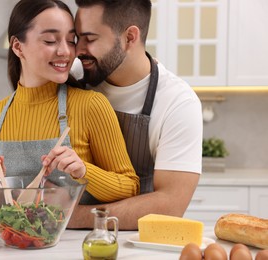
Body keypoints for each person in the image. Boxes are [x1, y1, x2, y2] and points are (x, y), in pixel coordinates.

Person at [0, 0, 139, 233]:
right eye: (50, 41)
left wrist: (84, 171)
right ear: (17, 46)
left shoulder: (91, 106)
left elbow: (130, 186)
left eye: (70, 40)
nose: (65, 51)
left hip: (75, 247)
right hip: (15, 246)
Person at [68, 0, 203, 230]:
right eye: (76, 39)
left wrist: (69, 217)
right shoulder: (73, 77)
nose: (78, 51)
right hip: (61, 242)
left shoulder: (178, 102)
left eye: (90, 39)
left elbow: (170, 205)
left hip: (137, 243)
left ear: (130, 37)